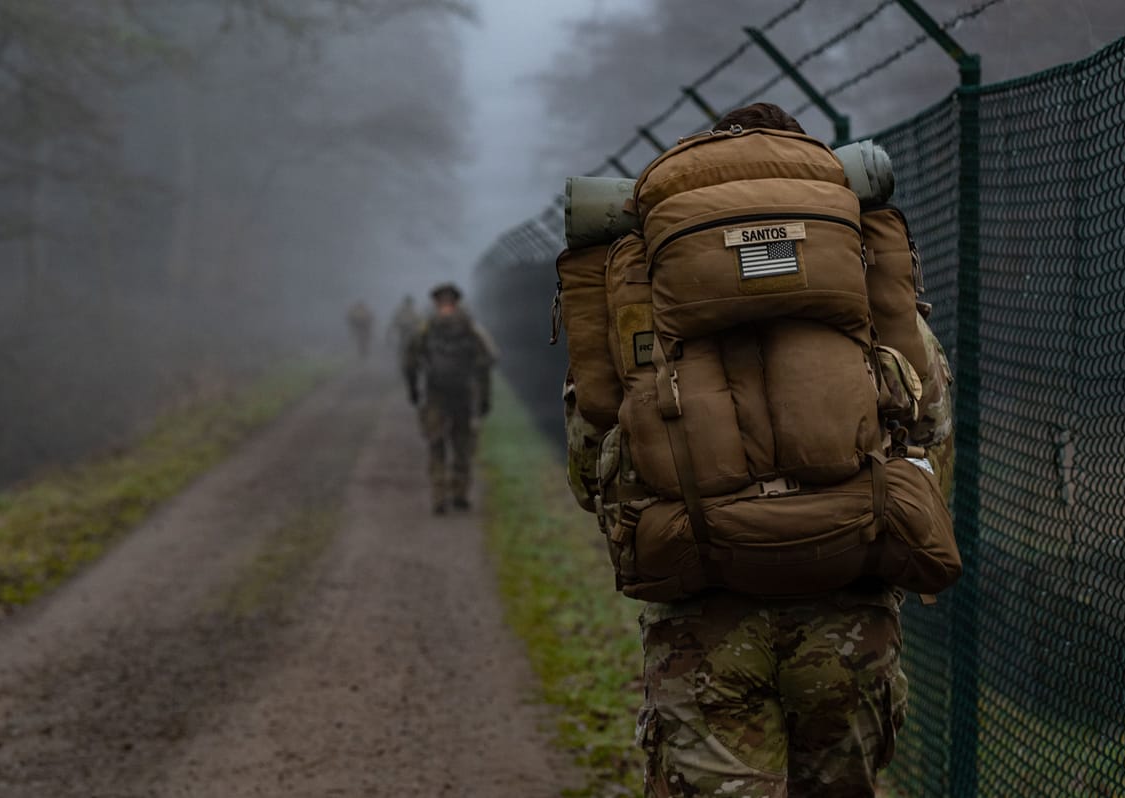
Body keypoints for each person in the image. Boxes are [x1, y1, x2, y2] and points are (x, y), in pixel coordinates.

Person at [563, 103, 956, 797]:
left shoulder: (644, 305)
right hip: (848, 613)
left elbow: (594, 463)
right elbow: (928, 430)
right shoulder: (858, 297)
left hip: (705, 622)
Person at [403, 282, 496, 514]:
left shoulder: (426, 327)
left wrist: (414, 390)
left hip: (435, 395)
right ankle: (460, 493)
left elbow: (409, 361)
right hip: (464, 395)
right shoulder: (469, 325)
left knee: (436, 444)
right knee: (463, 444)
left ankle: (439, 495)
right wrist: (484, 397)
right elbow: (488, 359)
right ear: (456, 301)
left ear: (436, 302)